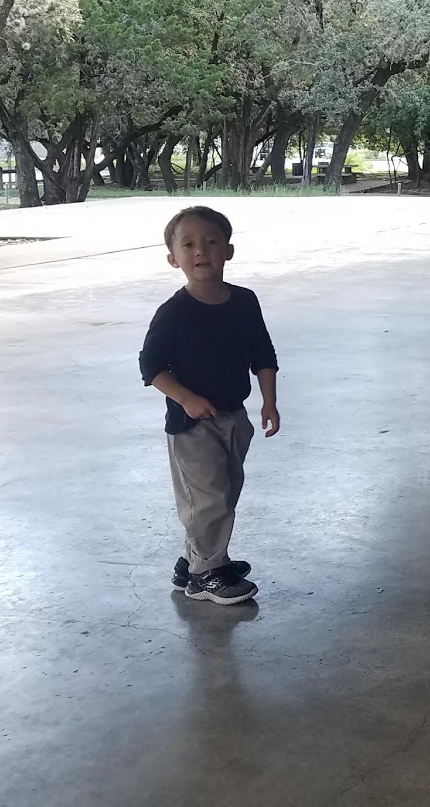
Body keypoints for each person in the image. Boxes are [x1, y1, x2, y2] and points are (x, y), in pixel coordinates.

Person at [139, 206, 281, 605]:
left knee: (224, 494)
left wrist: (269, 401)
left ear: (228, 250)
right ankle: (206, 574)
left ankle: (195, 560)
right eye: (188, 244)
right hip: (191, 425)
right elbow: (151, 367)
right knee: (208, 498)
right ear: (173, 259)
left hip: (234, 416)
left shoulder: (245, 302)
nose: (201, 250)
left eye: (211, 241)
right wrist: (186, 399)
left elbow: (263, 354)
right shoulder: (174, 313)